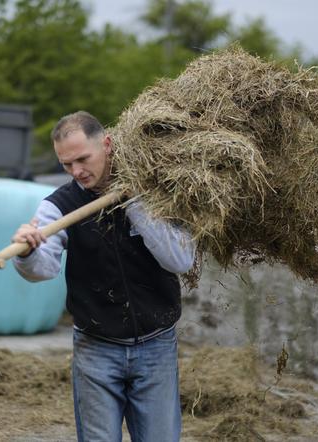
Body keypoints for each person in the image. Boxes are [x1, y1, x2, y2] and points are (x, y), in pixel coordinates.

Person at [11, 111, 195, 442]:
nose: (76, 171)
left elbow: (180, 260)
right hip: (96, 349)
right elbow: (43, 270)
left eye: (83, 159)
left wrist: (135, 203)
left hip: (156, 345)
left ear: (107, 144)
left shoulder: (156, 190)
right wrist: (27, 253)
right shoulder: (58, 206)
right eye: (66, 165)